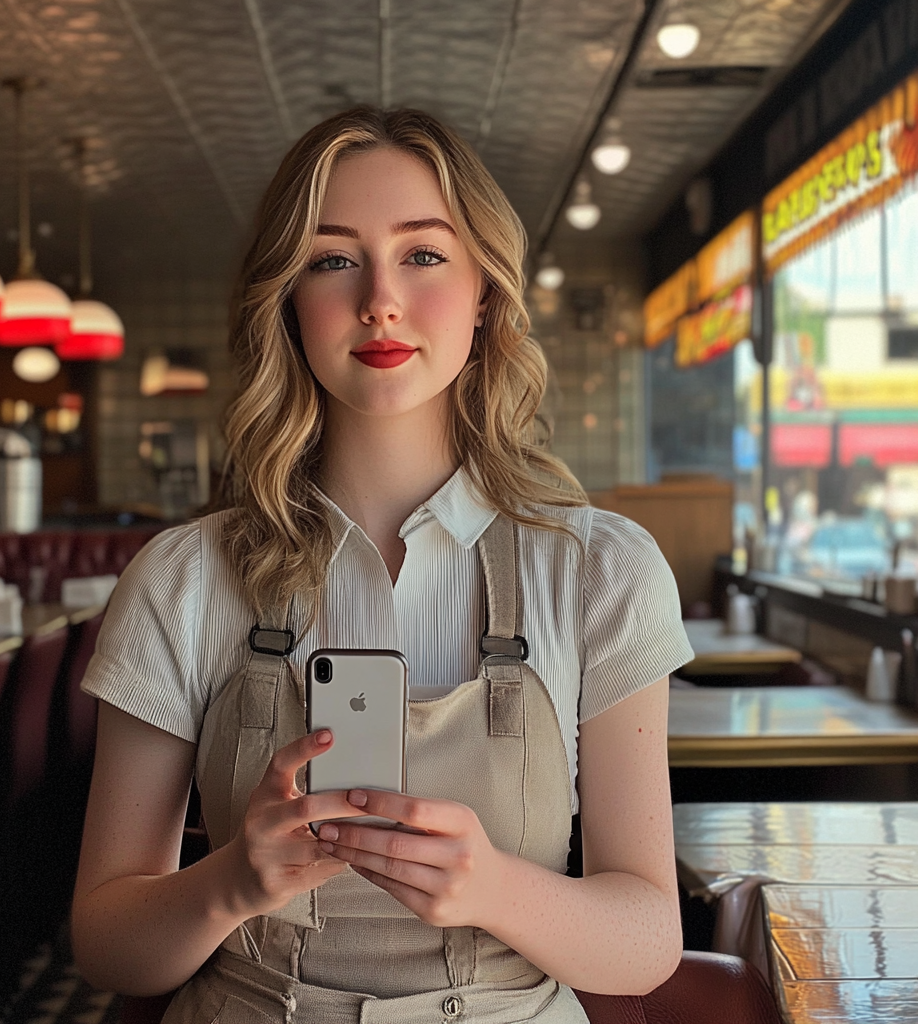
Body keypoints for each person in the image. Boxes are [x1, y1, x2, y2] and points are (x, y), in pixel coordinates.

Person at [72, 106, 695, 1023]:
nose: (380, 300)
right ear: (287, 299)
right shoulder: (182, 579)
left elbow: (647, 941)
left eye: (424, 254)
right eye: (332, 259)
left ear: (485, 292)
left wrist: (493, 890)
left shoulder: (601, 571)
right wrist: (232, 882)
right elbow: (103, 941)